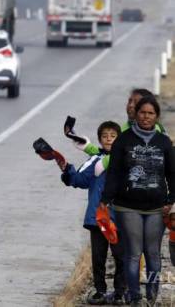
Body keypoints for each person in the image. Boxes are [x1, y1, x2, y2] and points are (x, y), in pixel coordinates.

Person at [100, 97, 175, 306]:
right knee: (133, 253)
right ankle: (134, 296)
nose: (146, 117)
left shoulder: (164, 142)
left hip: (157, 207)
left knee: (153, 253)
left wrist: (172, 200)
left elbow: (172, 173)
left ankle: (152, 294)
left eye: (151, 113)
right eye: (142, 112)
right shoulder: (123, 140)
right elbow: (113, 173)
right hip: (127, 206)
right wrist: (105, 199)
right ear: (135, 114)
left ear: (156, 116)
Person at [58, 121, 126, 305]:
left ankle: (120, 292)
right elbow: (80, 179)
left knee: (121, 256)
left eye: (113, 136)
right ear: (99, 139)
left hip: (121, 217)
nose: (109, 139)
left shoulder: (126, 159)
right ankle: (100, 291)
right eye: (105, 136)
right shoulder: (95, 159)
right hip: (98, 217)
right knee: (98, 256)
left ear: (120, 139)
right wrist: (66, 169)